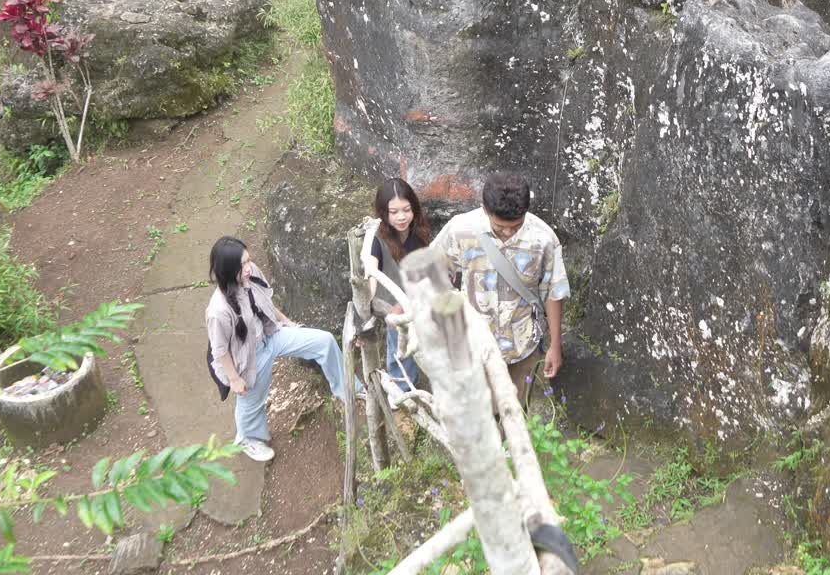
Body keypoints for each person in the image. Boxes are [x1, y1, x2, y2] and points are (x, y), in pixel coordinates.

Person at [205, 236, 349, 462]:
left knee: (325, 341)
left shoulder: (251, 274)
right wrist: (233, 379)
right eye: (241, 265)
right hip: (248, 359)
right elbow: (219, 350)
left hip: (272, 335)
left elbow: (265, 302)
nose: (248, 268)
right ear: (226, 270)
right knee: (252, 402)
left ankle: (347, 389)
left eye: (248, 261)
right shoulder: (218, 311)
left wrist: (288, 323)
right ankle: (249, 439)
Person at [431, 172, 569, 399]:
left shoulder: (543, 239)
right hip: (472, 347)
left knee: (516, 415)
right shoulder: (461, 229)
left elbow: (554, 292)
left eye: (515, 227)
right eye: (499, 227)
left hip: (522, 348)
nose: (507, 233)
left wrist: (555, 345)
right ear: (485, 209)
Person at [362, 177, 431, 395]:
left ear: (414, 208)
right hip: (394, 305)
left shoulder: (419, 232)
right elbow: (370, 275)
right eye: (394, 212)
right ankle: (402, 389)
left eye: (406, 210)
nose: (401, 217)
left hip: (420, 299)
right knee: (399, 348)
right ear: (384, 213)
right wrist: (363, 319)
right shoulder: (378, 239)